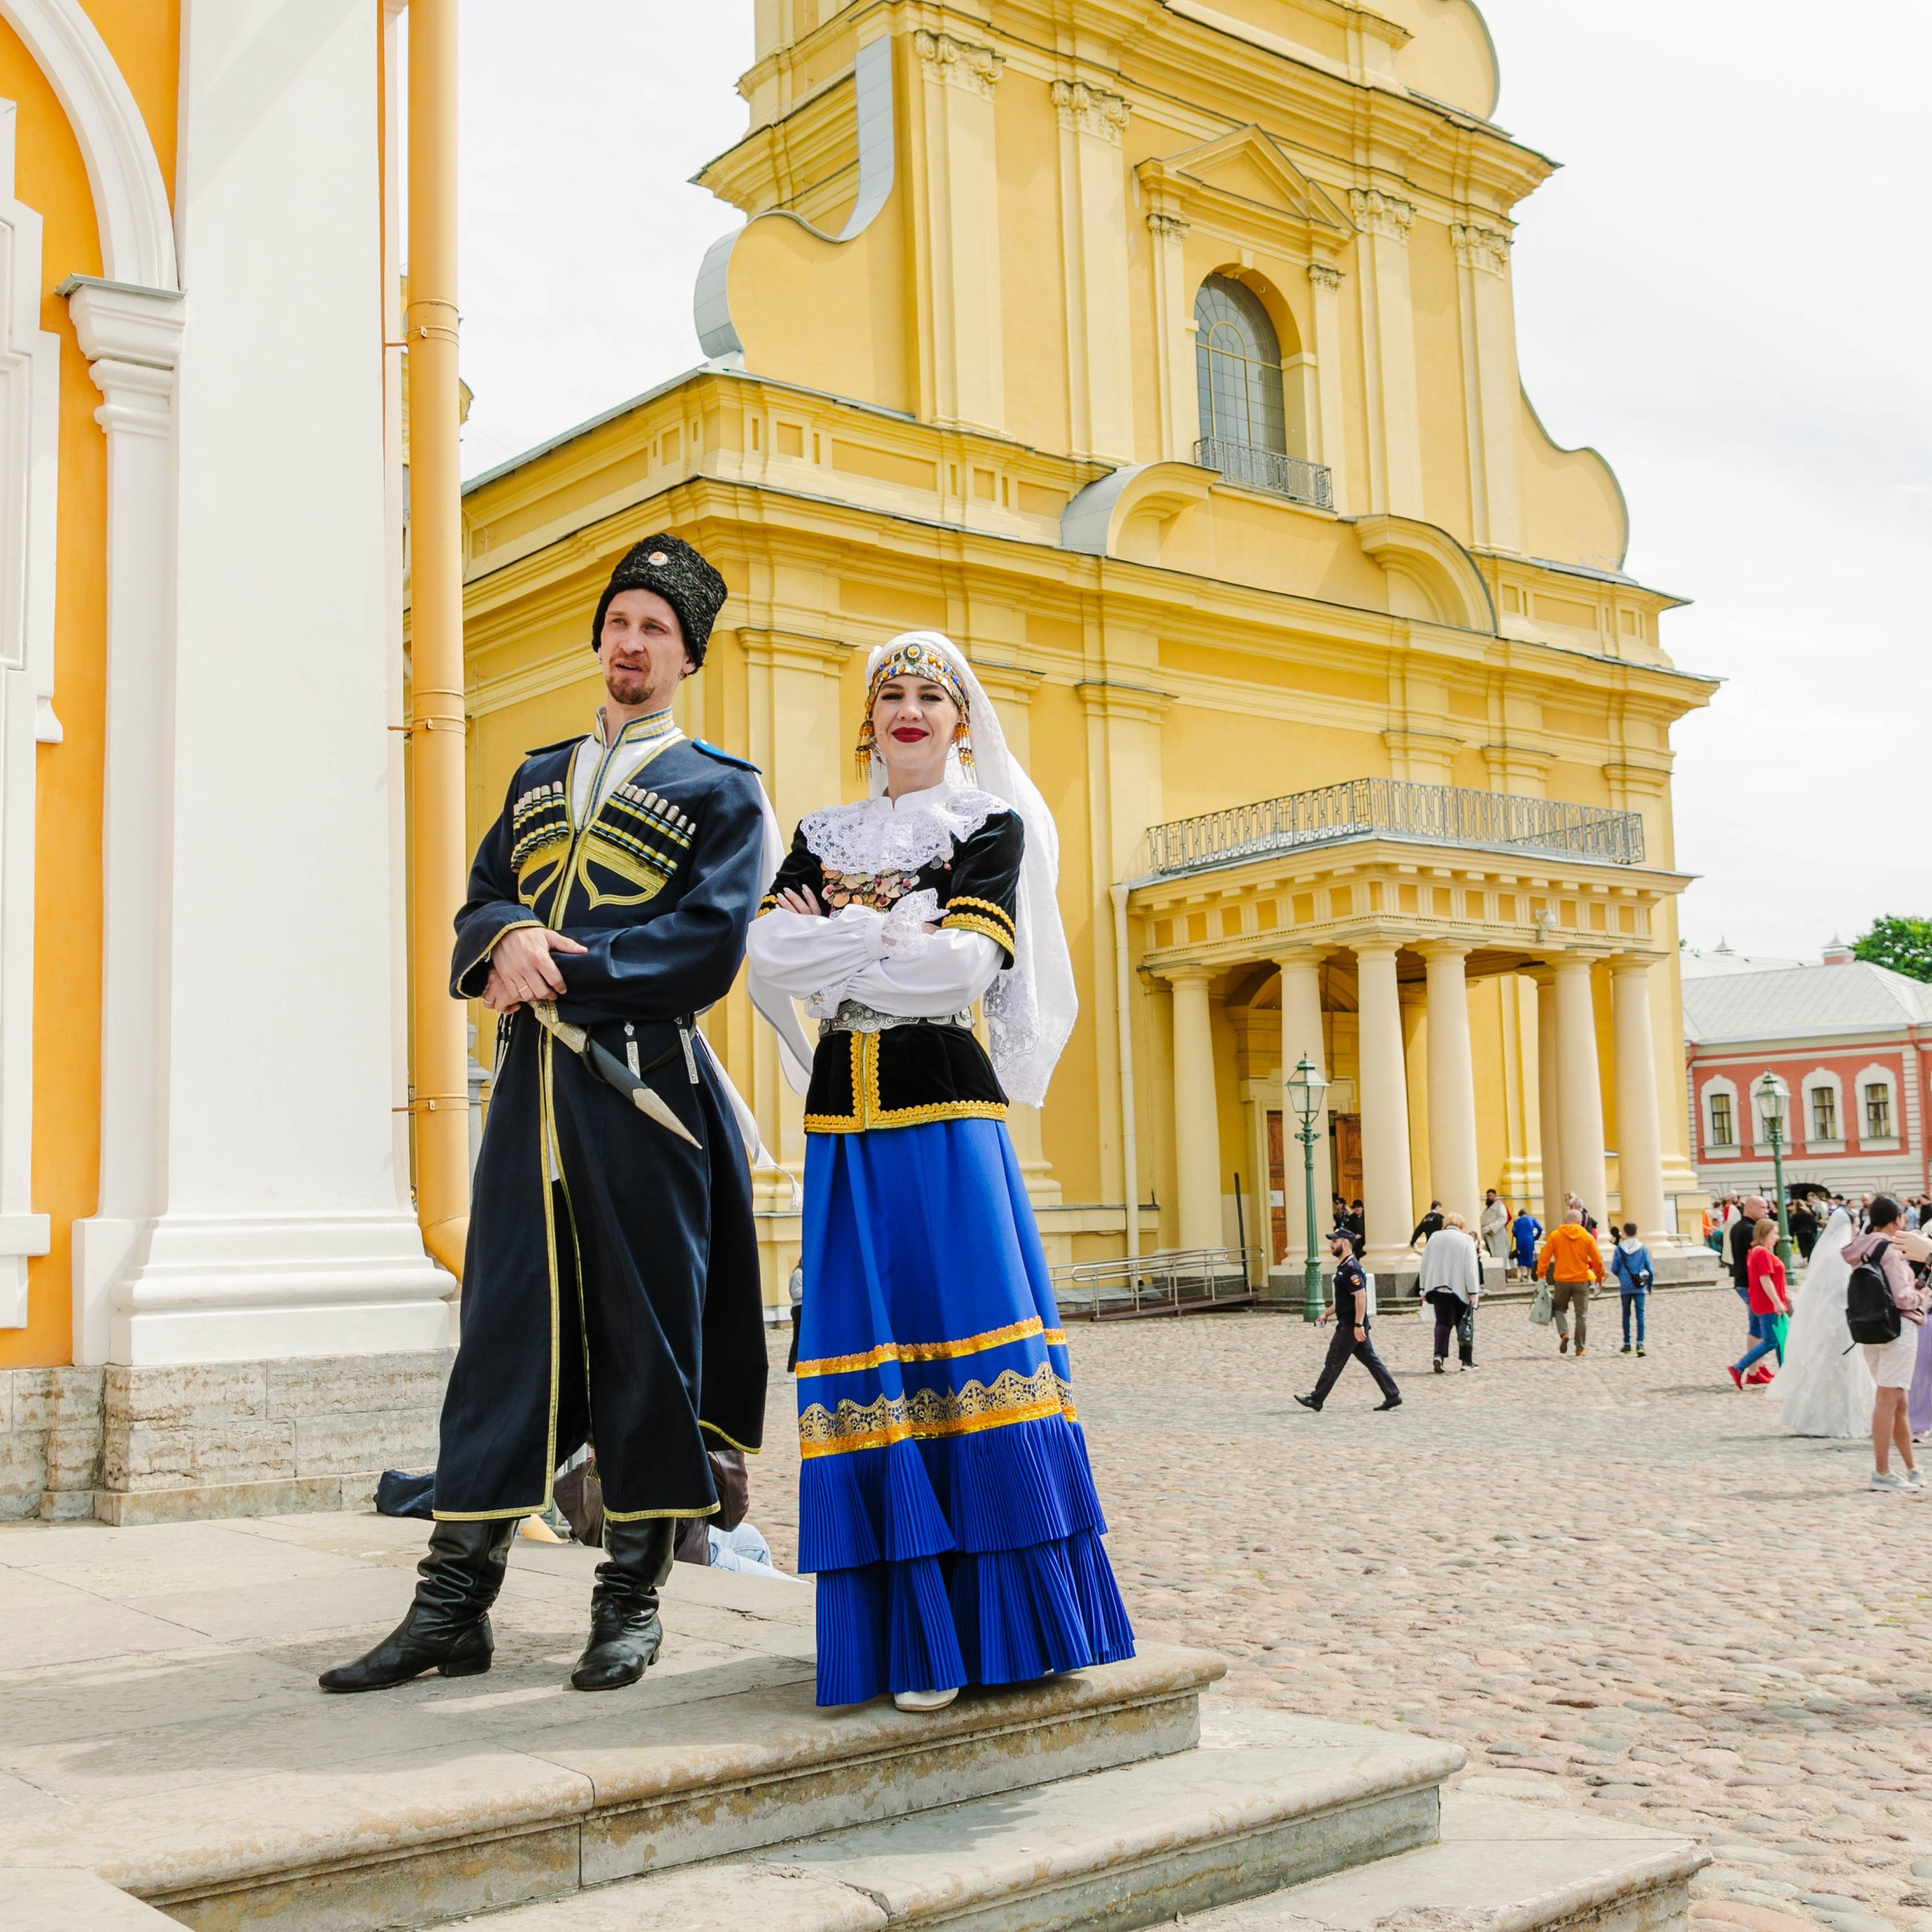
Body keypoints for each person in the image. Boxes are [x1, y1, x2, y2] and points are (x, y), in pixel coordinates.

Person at [321, 536, 771, 1698]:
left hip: (643, 1097)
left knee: (646, 1344)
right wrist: (500, 936)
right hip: (528, 1103)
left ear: (686, 657)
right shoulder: (532, 779)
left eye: (656, 631)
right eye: (621, 622)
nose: (633, 643)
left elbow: (706, 946)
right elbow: (479, 901)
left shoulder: (722, 789)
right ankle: (449, 1608)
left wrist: (552, 960)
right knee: (503, 1342)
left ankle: (630, 1603)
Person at [743, 629, 1132, 1712]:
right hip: (843, 1124)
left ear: (963, 723)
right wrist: (895, 928)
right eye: (891, 693)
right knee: (867, 1347)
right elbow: (766, 955)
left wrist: (845, 932)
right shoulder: (821, 830)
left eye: (932, 693)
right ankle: (908, 1636)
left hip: (944, 1105)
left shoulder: (988, 826)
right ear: (867, 723)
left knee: (968, 1331)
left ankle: (1008, 1626)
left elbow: (967, 964)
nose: (910, 707)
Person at [1764, 1207, 1874, 1438]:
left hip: (1831, 1319)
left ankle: (1818, 1416)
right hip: (1839, 1322)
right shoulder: (1840, 1255)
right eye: (1855, 1226)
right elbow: (1841, 1290)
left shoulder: (1827, 1252)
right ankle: (1837, 1419)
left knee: (1827, 1368)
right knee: (1840, 1369)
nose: (1857, 1230)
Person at [1844, 1198, 1924, 1490]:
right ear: (1898, 1219)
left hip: (1870, 1327)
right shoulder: (1888, 1250)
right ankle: (1881, 1472)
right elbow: (1903, 1298)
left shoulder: (1862, 1247)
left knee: (1897, 1400)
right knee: (1888, 1399)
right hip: (1897, 1328)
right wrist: (1921, 1294)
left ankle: (1911, 1467)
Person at [1296, 1230, 1401, 1412]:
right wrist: (1327, 1314)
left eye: (1334, 1241)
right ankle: (1392, 1394)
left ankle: (1316, 1399)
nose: (1331, 1245)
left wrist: (1358, 1325)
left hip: (1351, 1326)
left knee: (1334, 1360)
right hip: (1353, 1323)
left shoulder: (1351, 1267)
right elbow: (1346, 1298)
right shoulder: (1346, 1266)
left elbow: (1360, 1297)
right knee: (1370, 1360)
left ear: (1345, 1243)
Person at [1727, 1219, 1790, 1389]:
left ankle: (1785, 1375)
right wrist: (1777, 1302)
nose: (1777, 1237)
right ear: (1765, 1234)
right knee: (1771, 1342)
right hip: (1768, 1304)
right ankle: (1738, 1367)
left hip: (1763, 1302)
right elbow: (1765, 1279)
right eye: (1774, 1234)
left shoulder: (1755, 1251)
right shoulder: (1762, 1253)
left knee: (1779, 1341)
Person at [1536, 1208, 1604, 1358]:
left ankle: (1564, 1333)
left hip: (1562, 1280)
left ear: (1566, 1221)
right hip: (1581, 1280)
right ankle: (1580, 1348)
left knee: (1558, 1309)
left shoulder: (1555, 1236)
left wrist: (1541, 1274)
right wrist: (1599, 1278)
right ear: (1580, 1222)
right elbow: (1597, 1260)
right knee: (1581, 1315)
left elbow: (1544, 1257)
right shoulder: (1587, 1237)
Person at [1419, 1213, 1481, 1372]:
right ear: (1462, 1225)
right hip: (1460, 1288)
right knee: (1464, 1324)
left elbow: (1424, 1263)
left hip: (1437, 1287)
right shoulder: (1466, 1240)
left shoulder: (1434, 1238)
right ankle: (1466, 1361)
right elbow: (1470, 1268)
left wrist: (1423, 1288)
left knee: (1442, 1323)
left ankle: (1439, 1355)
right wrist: (1473, 1291)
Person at [1609, 1222, 1653, 1355]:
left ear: (1624, 1232)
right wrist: (1649, 1285)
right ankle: (1640, 1344)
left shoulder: (1619, 1249)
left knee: (1626, 1314)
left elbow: (1614, 1268)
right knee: (1640, 1315)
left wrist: (1622, 1277)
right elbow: (1649, 1269)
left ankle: (1627, 1344)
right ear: (1636, 1232)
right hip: (1639, 1286)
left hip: (1626, 1286)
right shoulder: (1643, 1248)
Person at [1510, 1204, 1543, 1281]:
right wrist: (1536, 1237)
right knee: (1529, 1256)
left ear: (1520, 1214)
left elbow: (1514, 1231)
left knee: (1520, 1256)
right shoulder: (1532, 1220)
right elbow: (1540, 1229)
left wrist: (1517, 1235)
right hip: (1529, 1240)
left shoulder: (1517, 1221)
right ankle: (1529, 1276)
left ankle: (1522, 1275)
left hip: (1520, 1240)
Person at [1479, 1189, 1510, 1263]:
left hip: (1498, 1234)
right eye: (1487, 1196)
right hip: (1488, 1235)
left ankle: (1503, 1269)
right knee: (1492, 1252)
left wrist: (1490, 1227)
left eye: (1490, 1196)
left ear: (1495, 1196)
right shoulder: (1487, 1208)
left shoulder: (1500, 1205)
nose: (1488, 1198)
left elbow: (1503, 1219)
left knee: (1500, 1253)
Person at [1789, 1193, 1820, 1263]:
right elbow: (1813, 1222)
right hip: (1810, 1232)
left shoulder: (1796, 1214)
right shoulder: (1809, 1213)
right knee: (1810, 1246)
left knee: (1803, 1247)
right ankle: (1810, 1259)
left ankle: (1805, 1259)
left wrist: (1793, 1232)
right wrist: (1814, 1231)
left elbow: (1793, 1224)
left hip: (1800, 1232)